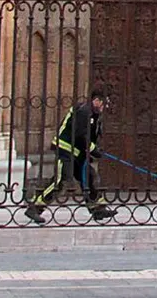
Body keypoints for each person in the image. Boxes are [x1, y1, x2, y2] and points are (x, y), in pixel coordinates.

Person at [26, 88, 112, 223]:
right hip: (65, 150)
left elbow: (90, 137)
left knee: (89, 177)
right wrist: (93, 149)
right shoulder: (84, 111)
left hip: (77, 153)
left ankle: (97, 209)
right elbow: (81, 135)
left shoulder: (93, 115)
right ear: (96, 101)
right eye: (104, 103)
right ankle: (35, 207)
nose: (106, 106)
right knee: (61, 180)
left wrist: (93, 150)